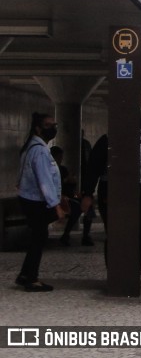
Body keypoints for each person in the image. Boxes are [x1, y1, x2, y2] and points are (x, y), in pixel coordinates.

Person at [82, 128, 141, 271]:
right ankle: (114, 273)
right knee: (115, 234)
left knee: (138, 234)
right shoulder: (107, 139)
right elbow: (94, 167)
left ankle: (134, 273)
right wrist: (87, 193)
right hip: (113, 191)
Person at [15, 112, 66, 292]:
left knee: (38, 237)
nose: (53, 128)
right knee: (38, 239)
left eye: (54, 124)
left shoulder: (32, 146)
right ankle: (31, 278)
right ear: (38, 128)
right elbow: (44, 180)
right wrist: (55, 205)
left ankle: (25, 274)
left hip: (30, 199)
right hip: (36, 201)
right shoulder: (40, 150)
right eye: (48, 125)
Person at [52, 146, 94, 247]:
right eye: (58, 157)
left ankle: (86, 235)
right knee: (76, 208)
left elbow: (71, 186)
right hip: (59, 199)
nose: (60, 160)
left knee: (88, 206)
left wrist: (72, 181)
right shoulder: (51, 169)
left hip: (68, 197)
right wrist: (66, 181)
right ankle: (66, 235)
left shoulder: (62, 169)